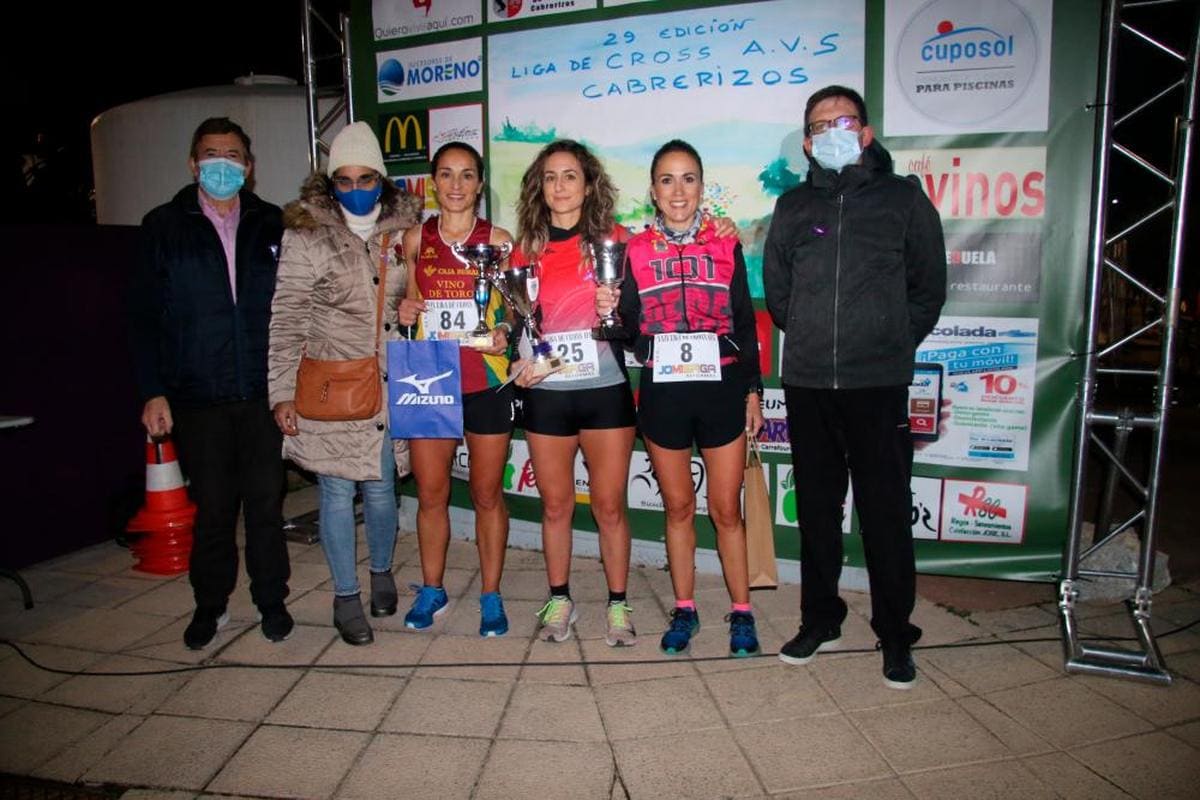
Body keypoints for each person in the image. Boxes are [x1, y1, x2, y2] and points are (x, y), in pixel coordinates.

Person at [762, 85, 946, 688]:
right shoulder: (791, 208)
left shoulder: (903, 200)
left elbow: (927, 289)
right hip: (810, 384)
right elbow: (781, 296)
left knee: (885, 514)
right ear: (809, 142)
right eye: (818, 125)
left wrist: (889, 341)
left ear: (864, 132)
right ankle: (822, 618)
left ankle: (896, 634)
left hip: (877, 384)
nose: (831, 131)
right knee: (817, 512)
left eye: (842, 120)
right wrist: (817, 338)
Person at [130, 117, 293, 650]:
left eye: (232, 155)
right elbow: (144, 318)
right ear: (192, 162)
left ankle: (272, 601)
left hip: (263, 393)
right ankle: (211, 605)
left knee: (268, 506)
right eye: (210, 154)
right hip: (197, 395)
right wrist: (153, 390)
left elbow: (294, 309)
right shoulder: (162, 226)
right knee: (215, 510)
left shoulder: (275, 223)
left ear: (248, 166)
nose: (221, 164)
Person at [599, 140, 765, 657]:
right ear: (653, 190)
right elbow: (623, 332)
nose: (678, 190)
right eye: (667, 180)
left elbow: (743, 321)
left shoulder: (725, 244)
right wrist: (611, 316)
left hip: (722, 392)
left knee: (725, 510)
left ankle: (742, 612)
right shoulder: (635, 251)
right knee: (677, 507)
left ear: (701, 186)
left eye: (688, 178)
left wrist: (754, 390)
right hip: (664, 395)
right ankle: (685, 607)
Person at [268, 122, 422, 646]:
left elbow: (422, 302)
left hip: (388, 384)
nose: (356, 189)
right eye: (344, 180)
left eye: (366, 179)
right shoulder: (305, 234)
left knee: (383, 489)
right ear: (331, 183)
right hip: (332, 388)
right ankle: (344, 597)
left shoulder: (407, 232)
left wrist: (410, 311)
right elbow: (286, 319)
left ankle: (381, 571)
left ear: (382, 179)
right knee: (336, 491)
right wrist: (281, 392)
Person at [511, 139, 640, 646]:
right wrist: (520, 360)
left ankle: (618, 604)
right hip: (548, 394)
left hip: (605, 391)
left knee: (609, 506)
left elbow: (638, 323)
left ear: (589, 185)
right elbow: (517, 324)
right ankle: (560, 598)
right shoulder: (525, 251)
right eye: (549, 177)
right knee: (556, 505)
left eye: (570, 176)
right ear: (539, 188)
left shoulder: (618, 241)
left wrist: (621, 308)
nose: (560, 186)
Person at [395, 141, 516, 636]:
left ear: (480, 183)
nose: (457, 185)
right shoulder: (414, 239)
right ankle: (433, 588)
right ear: (432, 181)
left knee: (487, 494)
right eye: (446, 174)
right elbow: (412, 305)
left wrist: (505, 329)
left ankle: (490, 593)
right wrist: (403, 314)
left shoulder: (500, 239)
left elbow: (514, 309)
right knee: (430, 494)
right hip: (430, 378)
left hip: (485, 379)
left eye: (467, 175)